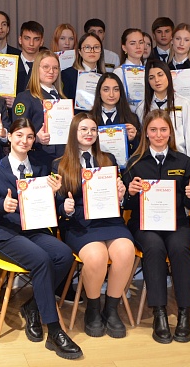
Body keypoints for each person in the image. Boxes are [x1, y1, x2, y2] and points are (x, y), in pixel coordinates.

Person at [0, 118, 82, 359]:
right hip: (6, 234)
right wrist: (1, 206)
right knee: (41, 260)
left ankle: (33, 306)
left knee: (64, 255)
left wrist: (61, 202)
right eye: (19, 135)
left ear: (34, 139)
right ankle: (54, 331)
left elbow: (54, 205)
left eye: (29, 137)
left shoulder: (41, 166)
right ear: (9, 137)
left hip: (35, 230)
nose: (24, 141)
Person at [122, 109, 190, 344]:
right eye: (153, 130)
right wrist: (130, 193)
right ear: (146, 133)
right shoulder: (135, 163)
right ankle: (159, 313)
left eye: (163, 130)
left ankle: (185, 312)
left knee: (179, 249)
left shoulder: (184, 161)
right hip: (144, 224)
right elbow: (126, 204)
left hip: (177, 222)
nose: (158, 135)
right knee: (154, 248)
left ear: (170, 132)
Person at [53, 113, 132, 339]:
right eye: (84, 129)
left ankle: (111, 309)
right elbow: (57, 204)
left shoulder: (108, 159)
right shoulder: (59, 164)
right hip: (79, 223)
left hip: (110, 221)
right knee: (97, 256)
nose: (89, 134)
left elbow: (120, 199)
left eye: (93, 130)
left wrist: (120, 196)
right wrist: (65, 208)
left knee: (126, 251)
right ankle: (93, 309)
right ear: (74, 132)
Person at [12, 50, 67, 165]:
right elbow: (18, 131)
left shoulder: (63, 99)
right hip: (38, 159)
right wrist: (36, 138)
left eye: (55, 68)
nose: (51, 71)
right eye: (46, 67)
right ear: (36, 69)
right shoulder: (25, 97)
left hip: (64, 157)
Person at [137, 59, 190, 158]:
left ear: (168, 76)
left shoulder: (184, 103)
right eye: (151, 77)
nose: (157, 80)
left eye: (160, 75)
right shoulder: (142, 107)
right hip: (152, 159)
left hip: (178, 158)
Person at [91, 73, 141, 156]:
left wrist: (133, 139)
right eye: (106, 90)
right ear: (99, 92)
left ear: (120, 92)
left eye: (116, 89)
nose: (111, 94)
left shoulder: (132, 118)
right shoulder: (89, 119)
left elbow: (138, 154)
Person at [60, 33, 106, 113]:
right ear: (80, 52)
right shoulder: (67, 74)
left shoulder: (105, 77)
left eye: (96, 47)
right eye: (87, 47)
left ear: (101, 51)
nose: (92, 51)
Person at [16, 21, 45, 94]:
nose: (31, 43)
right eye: (27, 38)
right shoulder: (11, 64)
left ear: (41, 42)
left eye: (36, 39)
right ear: (20, 40)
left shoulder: (47, 65)